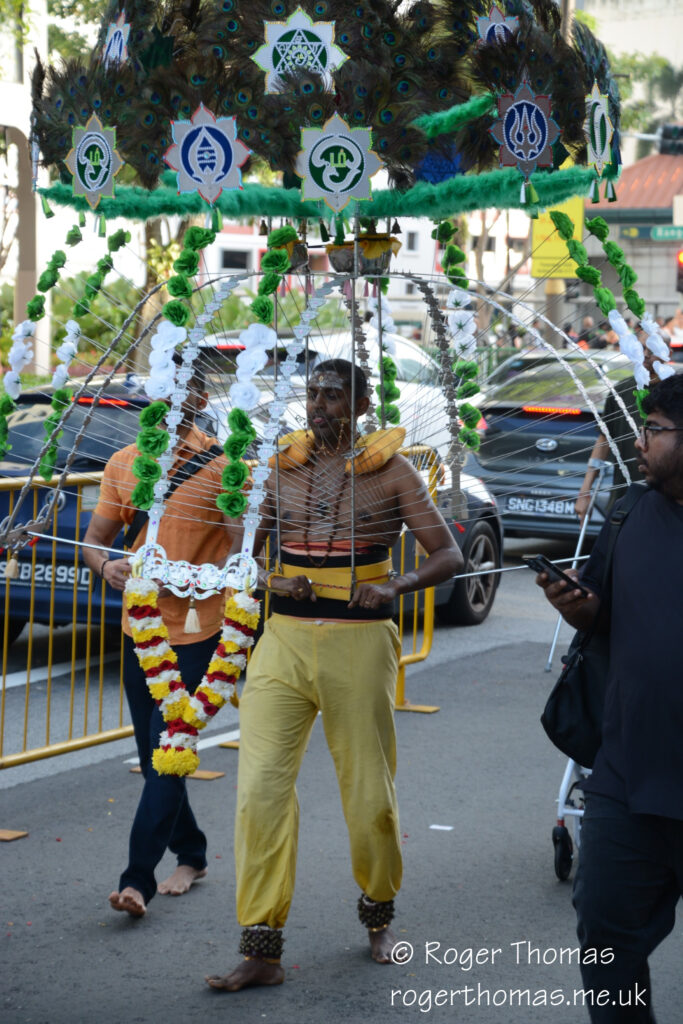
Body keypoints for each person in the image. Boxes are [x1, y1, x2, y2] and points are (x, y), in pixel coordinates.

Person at [206, 359, 463, 991]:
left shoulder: (395, 472)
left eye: (334, 395)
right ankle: (260, 947)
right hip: (283, 644)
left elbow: (449, 554)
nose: (320, 405)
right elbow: (248, 556)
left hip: (359, 643)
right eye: (314, 394)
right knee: (259, 791)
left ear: (361, 403)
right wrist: (270, 578)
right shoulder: (280, 469)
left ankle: (379, 916)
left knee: (369, 794)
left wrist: (397, 584)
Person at [536, 372, 683, 1022]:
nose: (637, 439)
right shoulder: (626, 512)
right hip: (627, 778)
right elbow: (602, 616)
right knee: (605, 938)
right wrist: (575, 604)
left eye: (652, 428)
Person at [82, 359, 238, 918]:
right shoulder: (125, 464)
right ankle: (192, 853)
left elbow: (245, 555)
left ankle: (135, 880)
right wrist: (107, 569)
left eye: (186, 388)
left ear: (200, 397)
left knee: (171, 750)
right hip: (139, 628)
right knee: (155, 757)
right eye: (163, 387)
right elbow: (95, 541)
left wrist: (212, 575)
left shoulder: (226, 467)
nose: (173, 397)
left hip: (200, 633)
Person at [575, 352, 661, 522]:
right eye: (641, 348)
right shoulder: (621, 390)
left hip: (667, 502)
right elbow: (604, 440)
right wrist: (585, 491)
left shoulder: (675, 392)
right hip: (624, 500)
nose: (646, 354)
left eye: (652, 349)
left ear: (667, 351)